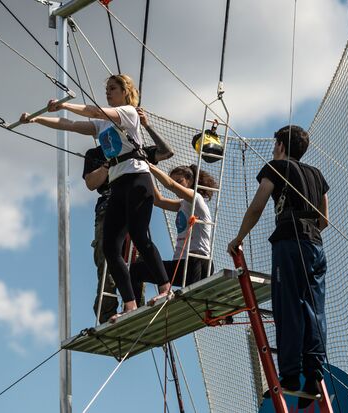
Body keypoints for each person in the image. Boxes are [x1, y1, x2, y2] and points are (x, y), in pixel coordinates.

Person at [20, 74, 169, 323]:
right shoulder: (103, 125)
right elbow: (69, 126)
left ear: (125, 92)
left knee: (140, 236)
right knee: (110, 247)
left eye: (113, 88)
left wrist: (65, 103)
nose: (108, 92)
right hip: (118, 184)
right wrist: (37, 120)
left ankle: (165, 290)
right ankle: (130, 304)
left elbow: (94, 111)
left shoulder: (129, 113)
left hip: (137, 179)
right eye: (107, 89)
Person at [226, 125, 329, 409]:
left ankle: (291, 375)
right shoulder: (317, 175)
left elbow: (258, 205)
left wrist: (239, 238)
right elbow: (324, 219)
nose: (273, 149)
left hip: (290, 243)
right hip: (315, 246)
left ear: (281, 146)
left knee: (288, 305)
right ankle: (313, 373)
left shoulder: (276, 167)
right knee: (313, 307)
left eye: (275, 144)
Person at [82, 107, 173, 323]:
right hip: (109, 204)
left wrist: (147, 125)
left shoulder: (133, 145)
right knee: (108, 254)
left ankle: (137, 301)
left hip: (132, 196)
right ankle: (112, 310)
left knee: (138, 245)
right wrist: (109, 164)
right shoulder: (95, 154)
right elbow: (90, 183)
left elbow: (166, 152)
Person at [130, 164, 216, 305]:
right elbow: (158, 201)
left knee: (193, 303)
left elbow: (170, 185)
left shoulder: (197, 199)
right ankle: (135, 307)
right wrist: (144, 172)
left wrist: (149, 165)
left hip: (197, 262)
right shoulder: (182, 204)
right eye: (175, 180)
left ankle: (167, 295)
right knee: (136, 270)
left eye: (179, 181)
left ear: (190, 180)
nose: (176, 184)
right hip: (181, 264)